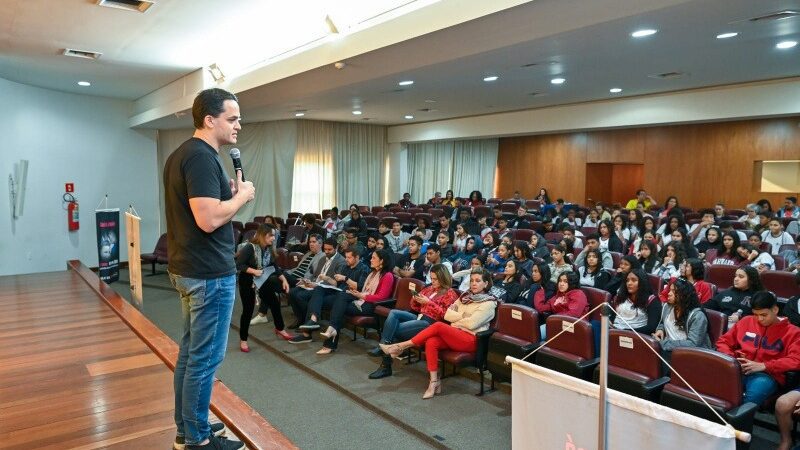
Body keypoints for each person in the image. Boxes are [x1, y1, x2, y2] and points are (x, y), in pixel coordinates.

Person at [164, 88, 252, 450]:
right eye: (232, 119)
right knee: (204, 360)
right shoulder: (201, 157)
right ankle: (197, 440)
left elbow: (207, 209)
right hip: (208, 275)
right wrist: (241, 197)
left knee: (190, 355)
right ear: (209, 120)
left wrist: (227, 196)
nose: (238, 126)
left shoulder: (184, 154)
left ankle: (188, 430)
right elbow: (208, 218)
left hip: (190, 268)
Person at [380, 268, 498, 399]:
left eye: (478, 281)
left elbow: (471, 324)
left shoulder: (489, 303)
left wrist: (457, 317)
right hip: (455, 334)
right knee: (432, 342)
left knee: (438, 326)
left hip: (471, 340)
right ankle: (434, 382)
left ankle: (401, 346)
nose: (473, 283)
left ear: (486, 284)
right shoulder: (465, 296)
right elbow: (448, 314)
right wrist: (463, 316)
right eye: (471, 280)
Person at [368, 264, 459, 379]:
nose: (433, 281)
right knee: (394, 313)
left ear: (443, 277)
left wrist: (429, 303)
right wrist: (415, 300)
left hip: (432, 324)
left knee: (393, 331)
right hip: (420, 318)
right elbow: (415, 308)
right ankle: (385, 346)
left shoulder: (450, 294)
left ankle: (384, 358)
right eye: (431, 278)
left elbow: (446, 316)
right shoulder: (429, 289)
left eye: (436, 279)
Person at [717, 292, 800, 408]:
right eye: (755, 314)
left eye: (764, 315)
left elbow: (796, 360)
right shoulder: (746, 321)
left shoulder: (793, 332)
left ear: (775, 310)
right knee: (714, 386)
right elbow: (723, 342)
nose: (759, 319)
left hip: (767, 375)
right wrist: (732, 359)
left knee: (751, 398)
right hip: (737, 368)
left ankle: (735, 424)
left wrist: (765, 365)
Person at [315, 249, 396, 354]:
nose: (370, 260)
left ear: (382, 261)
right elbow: (363, 291)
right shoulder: (373, 273)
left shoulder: (388, 276)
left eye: (374, 258)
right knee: (342, 297)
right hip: (362, 300)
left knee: (339, 307)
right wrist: (357, 293)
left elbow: (381, 297)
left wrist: (361, 295)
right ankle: (331, 334)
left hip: (371, 306)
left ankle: (330, 339)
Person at [289, 248, 369, 344]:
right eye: (346, 257)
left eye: (349, 257)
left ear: (357, 257)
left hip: (348, 296)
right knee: (318, 289)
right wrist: (327, 278)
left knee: (314, 299)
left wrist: (345, 278)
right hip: (338, 292)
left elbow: (359, 287)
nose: (346, 259)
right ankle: (313, 319)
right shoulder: (345, 267)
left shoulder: (364, 268)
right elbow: (336, 284)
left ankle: (307, 333)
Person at [235, 224, 293, 351]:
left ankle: (280, 328)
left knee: (274, 303)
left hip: (262, 280)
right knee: (248, 311)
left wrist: (284, 279)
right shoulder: (249, 248)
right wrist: (253, 271)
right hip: (247, 282)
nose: (273, 238)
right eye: (271, 235)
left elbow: (274, 266)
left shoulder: (269, 249)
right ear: (262, 235)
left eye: (274, 235)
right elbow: (238, 265)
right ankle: (243, 339)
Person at [286, 238, 345, 329]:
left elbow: (336, 283)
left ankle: (307, 321)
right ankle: (300, 318)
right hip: (315, 284)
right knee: (292, 292)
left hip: (326, 288)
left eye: (329, 250)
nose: (327, 252)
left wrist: (317, 284)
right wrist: (308, 281)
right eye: (325, 249)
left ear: (336, 248)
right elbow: (315, 275)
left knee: (300, 296)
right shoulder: (322, 258)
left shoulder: (341, 261)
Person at [653, 278, 712, 353]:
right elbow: (662, 322)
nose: (669, 293)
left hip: (690, 355)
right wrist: (660, 329)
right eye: (670, 290)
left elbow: (693, 344)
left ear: (684, 295)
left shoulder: (698, 316)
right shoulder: (667, 306)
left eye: (674, 291)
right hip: (669, 350)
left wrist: (663, 343)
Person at [535, 272, 589, 338]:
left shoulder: (578, 294)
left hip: (574, 327)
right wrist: (540, 291)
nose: (561, 284)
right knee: (535, 333)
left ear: (572, 283)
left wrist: (554, 319)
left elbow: (574, 314)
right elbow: (541, 308)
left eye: (565, 281)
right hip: (558, 324)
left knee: (540, 334)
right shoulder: (558, 295)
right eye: (560, 281)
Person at [611, 269, 662, 334]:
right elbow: (612, 317)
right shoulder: (620, 297)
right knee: (596, 324)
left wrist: (626, 331)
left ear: (642, 282)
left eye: (633, 280)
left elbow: (651, 327)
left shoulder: (652, 300)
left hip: (636, 336)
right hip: (614, 331)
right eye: (627, 280)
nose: (629, 283)